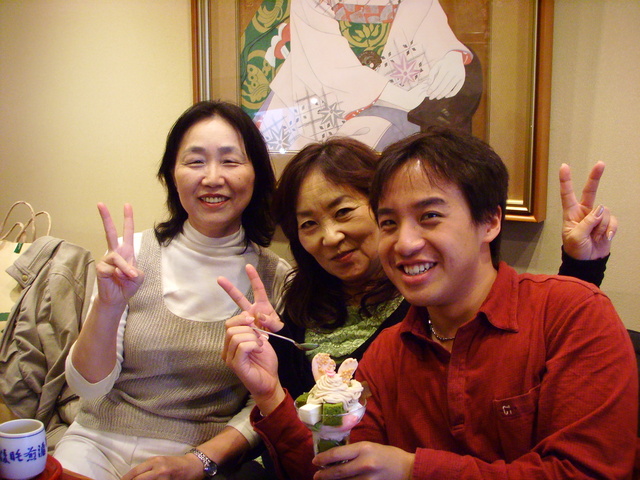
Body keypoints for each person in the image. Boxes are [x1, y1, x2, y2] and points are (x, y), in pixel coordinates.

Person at [222, 128, 636, 479]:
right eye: (389, 222)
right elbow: (337, 468)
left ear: (490, 221)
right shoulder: (387, 354)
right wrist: (269, 392)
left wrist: (413, 469)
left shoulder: (573, 313)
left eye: (430, 216)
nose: (404, 243)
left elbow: (588, 470)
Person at [52, 101, 290, 480]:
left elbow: (263, 402)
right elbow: (87, 388)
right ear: (172, 175)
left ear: (257, 174)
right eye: (195, 161)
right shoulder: (131, 258)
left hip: (199, 458)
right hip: (97, 443)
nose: (212, 177)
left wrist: (199, 461)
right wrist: (108, 306)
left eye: (230, 161)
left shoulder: (276, 278)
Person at [247, 0, 476, 152]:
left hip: (396, 95)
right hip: (314, 93)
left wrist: (450, 55)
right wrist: (396, 95)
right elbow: (323, 59)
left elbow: (430, 22)